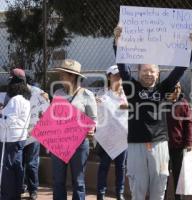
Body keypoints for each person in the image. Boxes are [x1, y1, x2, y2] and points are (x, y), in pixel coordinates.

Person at [114, 25, 192, 200]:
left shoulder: (163, 89)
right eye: (144, 71)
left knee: (159, 187)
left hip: (160, 144)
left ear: (158, 73)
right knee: (138, 188)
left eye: (152, 71)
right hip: (136, 144)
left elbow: (179, 70)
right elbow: (122, 67)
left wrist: (191, 47)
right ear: (138, 72)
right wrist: (118, 42)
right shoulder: (132, 88)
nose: (148, 74)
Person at [52, 59, 97, 200]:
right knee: (58, 181)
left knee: (78, 182)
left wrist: (92, 128)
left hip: (79, 144)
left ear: (72, 76)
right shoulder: (58, 93)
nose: (60, 78)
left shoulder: (87, 95)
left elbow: (93, 119)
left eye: (63, 75)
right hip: (59, 143)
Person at [95, 65, 128, 200]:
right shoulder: (101, 94)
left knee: (121, 167)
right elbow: (97, 115)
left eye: (120, 76)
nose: (118, 78)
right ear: (108, 76)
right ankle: (100, 193)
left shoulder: (128, 94)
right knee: (104, 166)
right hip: (106, 137)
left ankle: (119, 193)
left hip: (123, 137)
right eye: (115, 75)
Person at [0, 68, 31, 199]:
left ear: (14, 83)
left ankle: (7, 196)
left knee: (7, 170)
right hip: (19, 139)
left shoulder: (15, 100)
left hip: (10, 140)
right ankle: (15, 195)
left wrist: (0, 114)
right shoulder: (25, 100)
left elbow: (7, 121)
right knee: (16, 167)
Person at [22, 73, 49, 200]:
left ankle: (33, 190)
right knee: (20, 162)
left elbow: (46, 105)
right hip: (20, 134)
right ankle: (21, 187)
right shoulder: (14, 93)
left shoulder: (37, 92)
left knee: (31, 163)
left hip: (33, 134)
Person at [166, 82, 192, 200]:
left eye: (179, 87)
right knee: (162, 175)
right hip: (162, 146)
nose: (177, 90)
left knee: (178, 175)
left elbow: (188, 125)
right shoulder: (161, 103)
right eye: (174, 87)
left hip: (178, 146)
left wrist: (188, 143)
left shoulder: (184, 104)